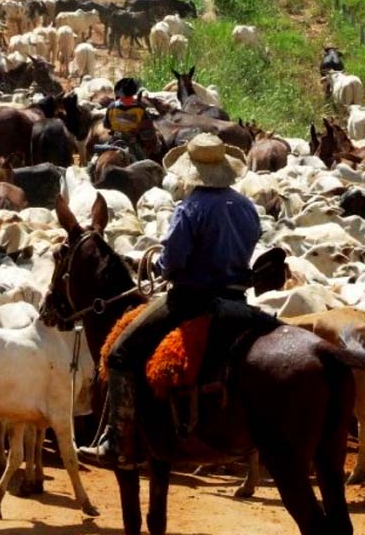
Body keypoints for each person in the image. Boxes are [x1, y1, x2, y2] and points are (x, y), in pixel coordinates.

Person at [77, 133, 262, 470]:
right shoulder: (246, 206)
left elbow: (173, 261)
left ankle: (119, 441)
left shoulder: (190, 207)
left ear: (191, 170)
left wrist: (160, 266)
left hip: (192, 300)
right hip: (237, 298)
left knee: (120, 353)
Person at [102, 77, 157, 162]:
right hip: (131, 141)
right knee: (143, 161)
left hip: (115, 140)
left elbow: (106, 125)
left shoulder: (112, 106)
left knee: (96, 158)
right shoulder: (139, 108)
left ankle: (90, 167)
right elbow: (147, 127)